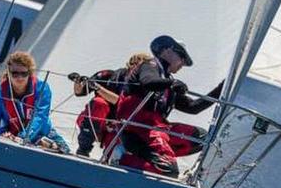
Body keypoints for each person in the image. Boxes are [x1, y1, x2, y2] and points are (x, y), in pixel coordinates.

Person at [114, 36, 222, 176]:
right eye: (182, 56)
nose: (183, 63)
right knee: (169, 170)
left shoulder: (168, 81)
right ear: (167, 50)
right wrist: (171, 84)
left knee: (202, 138)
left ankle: (152, 158)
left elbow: (193, 107)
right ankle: (123, 159)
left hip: (157, 129)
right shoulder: (149, 65)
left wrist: (221, 89)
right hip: (136, 131)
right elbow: (148, 81)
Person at [0, 51, 69, 152]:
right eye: (15, 73)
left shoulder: (42, 89)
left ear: (30, 73)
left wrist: (24, 137)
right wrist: (1, 133)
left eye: (24, 73)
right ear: (8, 73)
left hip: (43, 133)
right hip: (13, 135)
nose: (19, 77)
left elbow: (40, 117)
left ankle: (40, 141)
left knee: (64, 150)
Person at [71, 52, 151, 157]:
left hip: (118, 127)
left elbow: (121, 102)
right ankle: (83, 149)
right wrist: (77, 81)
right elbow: (79, 92)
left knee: (114, 154)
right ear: (132, 64)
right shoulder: (108, 75)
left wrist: (97, 88)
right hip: (93, 120)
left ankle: (109, 158)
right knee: (99, 103)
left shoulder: (141, 87)